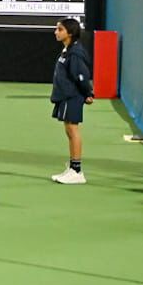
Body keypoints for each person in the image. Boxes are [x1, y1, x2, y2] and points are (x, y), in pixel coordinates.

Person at [49, 17, 94, 185]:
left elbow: (81, 75)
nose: (56, 32)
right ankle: (73, 168)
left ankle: (76, 171)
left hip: (72, 96)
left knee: (72, 130)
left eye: (60, 29)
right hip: (66, 96)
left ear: (70, 33)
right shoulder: (68, 50)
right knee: (69, 130)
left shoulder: (75, 53)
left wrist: (88, 93)